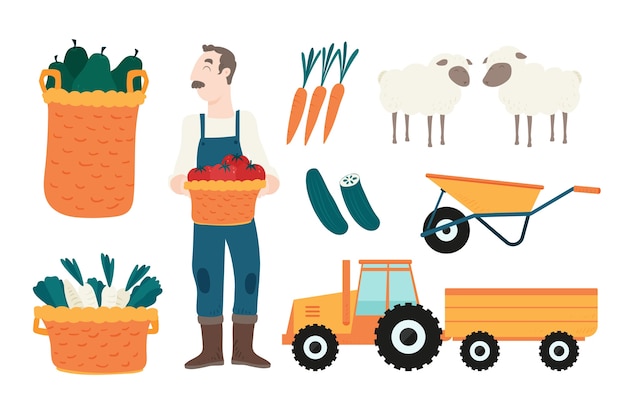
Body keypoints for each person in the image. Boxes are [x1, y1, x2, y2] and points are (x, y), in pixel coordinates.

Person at [170, 44, 279, 369]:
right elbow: (178, 172)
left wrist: (267, 182)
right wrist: (184, 185)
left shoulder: (245, 122)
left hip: (242, 215)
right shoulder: (193, 124)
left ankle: (244, 350)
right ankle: (211, 351)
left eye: (204, 69)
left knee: (248, 275)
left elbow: (265, 167)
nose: (195, 78)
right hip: (205, 217)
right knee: (205, 277)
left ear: (225, 73)